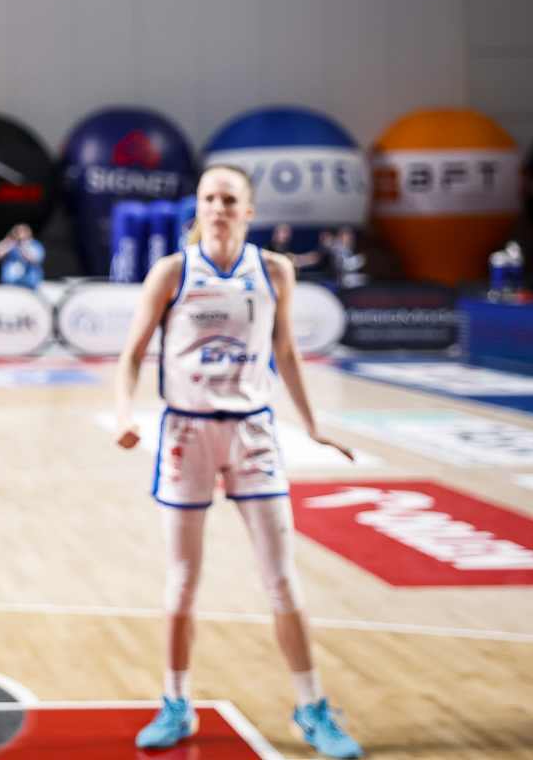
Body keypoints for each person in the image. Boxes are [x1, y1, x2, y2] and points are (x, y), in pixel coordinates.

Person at [112, 164, 364, 759]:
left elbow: (286, 352)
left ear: (248, 210)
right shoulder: (173, 272)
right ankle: (176, 702)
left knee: (281, 579)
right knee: (183, 582)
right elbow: (131, 356)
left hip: (253, 431)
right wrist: (124, 415)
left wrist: (313, 425)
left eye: (229, 199)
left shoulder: (273, 271)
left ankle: (311, 708)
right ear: (198, 207)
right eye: (209, 198)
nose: (218, 208)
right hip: (187, 432)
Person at [0, 223, 45, 288]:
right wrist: (7, 241)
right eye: (16, 231)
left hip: (28, 284)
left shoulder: (35, 245)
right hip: (10, 283)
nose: (18, 234)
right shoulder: (10, 245)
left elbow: (34, 259)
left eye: (21, 231)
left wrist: (23, 245)